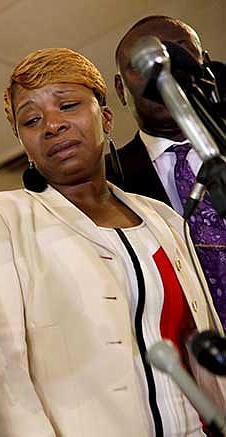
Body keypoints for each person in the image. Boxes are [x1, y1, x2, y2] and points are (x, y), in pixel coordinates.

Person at [0, 47, 226, 436]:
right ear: (24, 143)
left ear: (107, 117)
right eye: (31, 119)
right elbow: (0, 374)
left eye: (67, 105)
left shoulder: (163, 218)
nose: (52, 125)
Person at [106, 15, 226, 329]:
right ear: (120, 89)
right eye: (142, 63)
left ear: (205, 65)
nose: (162, 70)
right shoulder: (105, 185)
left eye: (177, 53)